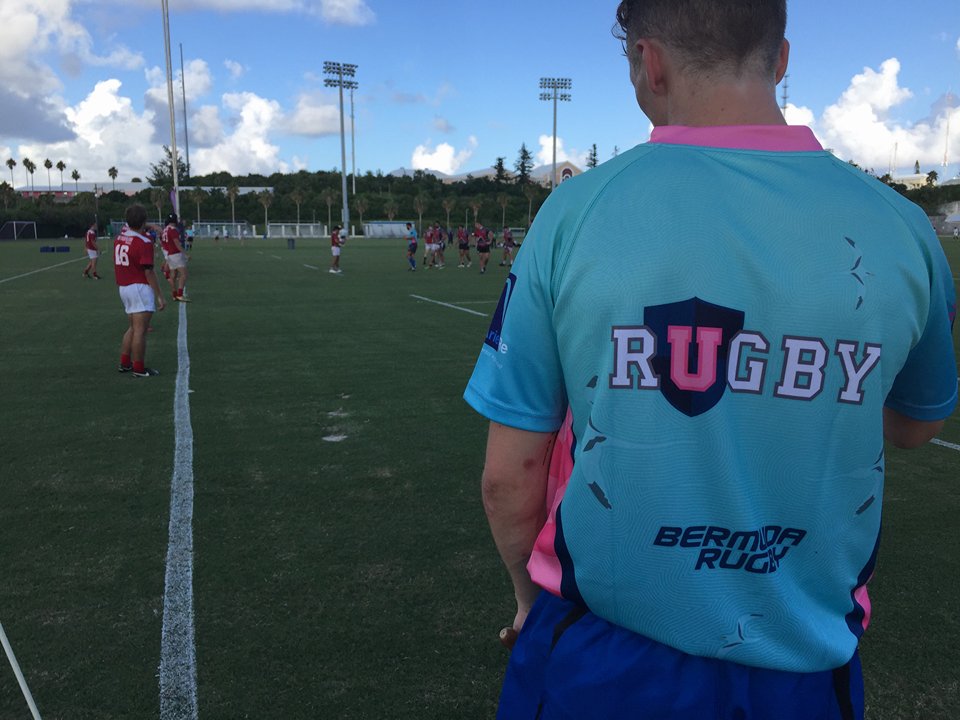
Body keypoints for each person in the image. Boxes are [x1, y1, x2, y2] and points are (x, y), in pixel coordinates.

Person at [463, 2, 958, 718]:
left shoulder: (575, 213)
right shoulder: (904, 230)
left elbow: (509, 477)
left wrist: (523, 592)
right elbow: (916, 424)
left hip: (602, 656)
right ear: (780, 57)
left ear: (649, 60)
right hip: (804, 665)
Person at [115, 204, 166, 377]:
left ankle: (125, 362)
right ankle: (138, 368)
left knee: (132, 327)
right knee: (140, 330)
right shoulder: (144, 242)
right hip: (139, 287)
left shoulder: (120, 237)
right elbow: (149, 271)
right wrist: (160, 295)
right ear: (144, 221)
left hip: (124, 287)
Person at [161, 213, 190, 301]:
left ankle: (174, 294)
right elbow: (177, 244)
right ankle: (180, 294)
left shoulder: (165, 229)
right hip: (176, 254)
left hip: (169, 254)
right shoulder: (173, 230)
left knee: (173, 275)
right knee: (184, 274)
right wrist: (185, 254)